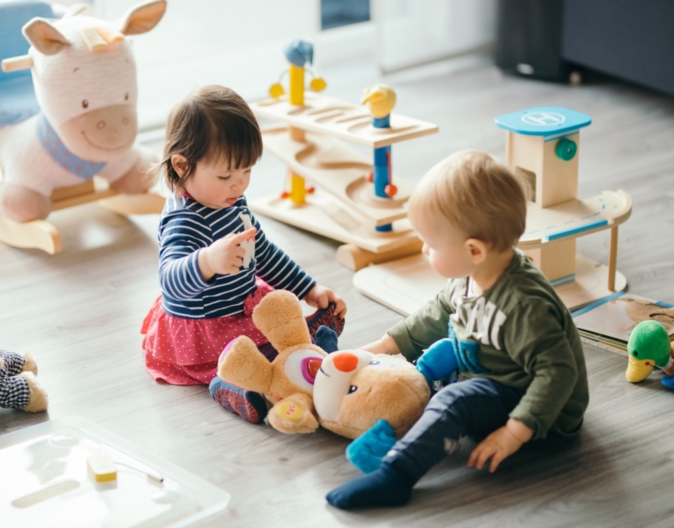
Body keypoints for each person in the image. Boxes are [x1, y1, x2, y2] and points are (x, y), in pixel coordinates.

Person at [326, 150, 589, 509]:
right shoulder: (471, 275)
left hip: (542, 411)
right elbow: (435, 313)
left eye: (431, 244)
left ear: (474, 250)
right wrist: (378, 348)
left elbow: (558, 372)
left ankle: (396, 475)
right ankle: (392, 427)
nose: (423, 248)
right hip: (490, 372)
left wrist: (515, 432)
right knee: (420, 375)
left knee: (452, 400)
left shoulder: (524, 306)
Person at [141, 85, 346, 424]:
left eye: (247, 171)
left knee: (278, 322)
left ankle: (308, 344)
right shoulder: (184, 220)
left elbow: (262, 252)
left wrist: (309, 289)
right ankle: (231, 387)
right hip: (205, 328)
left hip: (241, 307)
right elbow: (170, 282)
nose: (239, 185)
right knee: (242, 360)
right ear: (181, 166)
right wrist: (207, 261)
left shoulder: (231, 201)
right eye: (225, 175)